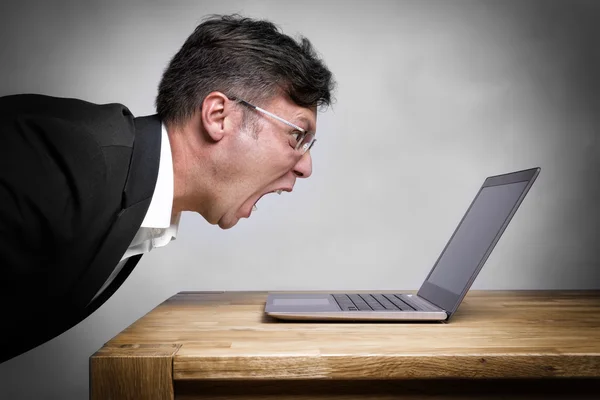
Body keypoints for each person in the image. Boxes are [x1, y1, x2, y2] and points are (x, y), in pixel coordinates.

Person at [0, 14, 335, 363]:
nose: (305, 166)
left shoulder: (131, 191)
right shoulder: (65, 158)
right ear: (219, 116)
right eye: (298, 135)